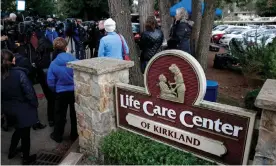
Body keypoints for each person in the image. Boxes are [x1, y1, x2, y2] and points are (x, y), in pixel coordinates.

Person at [1, 49, 37, 164]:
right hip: (22, 109)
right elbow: (30, 93)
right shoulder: (19, 74)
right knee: (25, 134)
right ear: (12, 60)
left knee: (18, 130)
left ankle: (12, 151)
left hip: (8, 109)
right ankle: (26, 158)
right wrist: (34, 104)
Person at [47, 37, 78, 143]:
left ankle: (57, 135)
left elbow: (50, 81)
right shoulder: (75, 60)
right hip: (74, 90)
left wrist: (55, 90)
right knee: (75, 114)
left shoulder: (53, 63)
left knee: (59, 115)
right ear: (66, 48)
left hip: (61, 92)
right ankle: (75, 135)